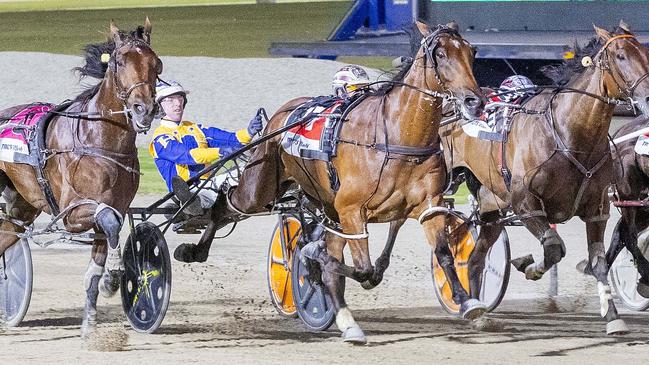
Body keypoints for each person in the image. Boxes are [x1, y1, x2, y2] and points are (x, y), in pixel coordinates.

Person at [149, 80, 263, 216]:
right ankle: (191, 202)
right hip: (189, 188)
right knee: (201, 193)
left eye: (180, 98)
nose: (178, 103)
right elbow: (188, 156)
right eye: (170, 100)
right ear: (159, 106)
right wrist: (219, 152)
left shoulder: (195, 128)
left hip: (211, 183)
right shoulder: (160, 138)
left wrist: (250, 131)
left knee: (252, 167)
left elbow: (232, 139)